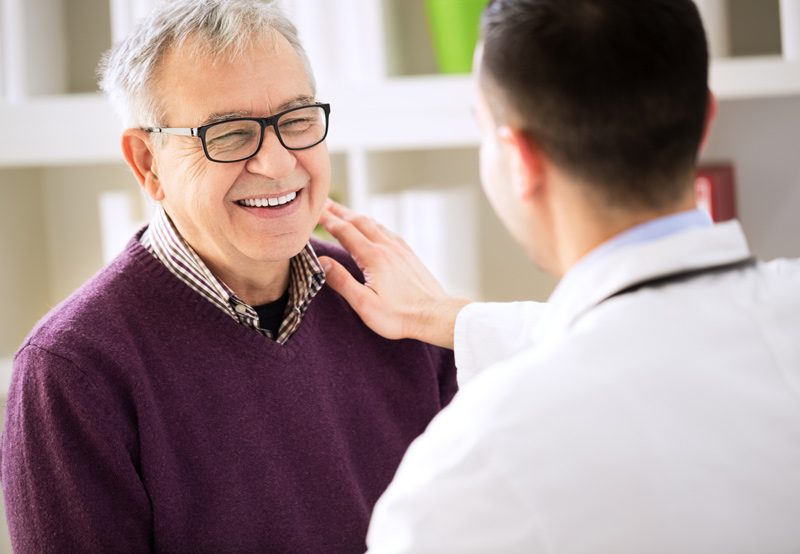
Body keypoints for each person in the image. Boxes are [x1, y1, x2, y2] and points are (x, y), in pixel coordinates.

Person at [317, 0, 800, 551]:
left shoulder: (469, 477)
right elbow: (658, 338)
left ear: (517, 157)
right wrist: (452, 318)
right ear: (707, 118)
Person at [0, 1, 457, 553]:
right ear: (148, 163)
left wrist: (452, 324)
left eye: (297, 120)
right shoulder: (72, 370)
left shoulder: (396, 301)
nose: (278, 162)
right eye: (231, 133)